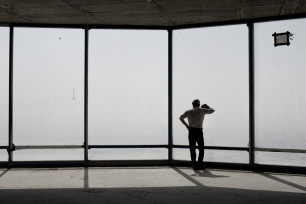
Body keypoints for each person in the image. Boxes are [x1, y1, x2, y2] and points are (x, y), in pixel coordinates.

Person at [179, 99, 215, 170]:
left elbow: (181, 118)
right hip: (199, 131)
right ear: (199, 104)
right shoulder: (202, 110)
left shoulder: (188, 111)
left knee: (192, 149)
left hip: (191, 131)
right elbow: (212, 110)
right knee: (201, 149)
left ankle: (194, 166)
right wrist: (207, 106)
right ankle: (200, 164)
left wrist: (186, 125)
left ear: (192, 104)